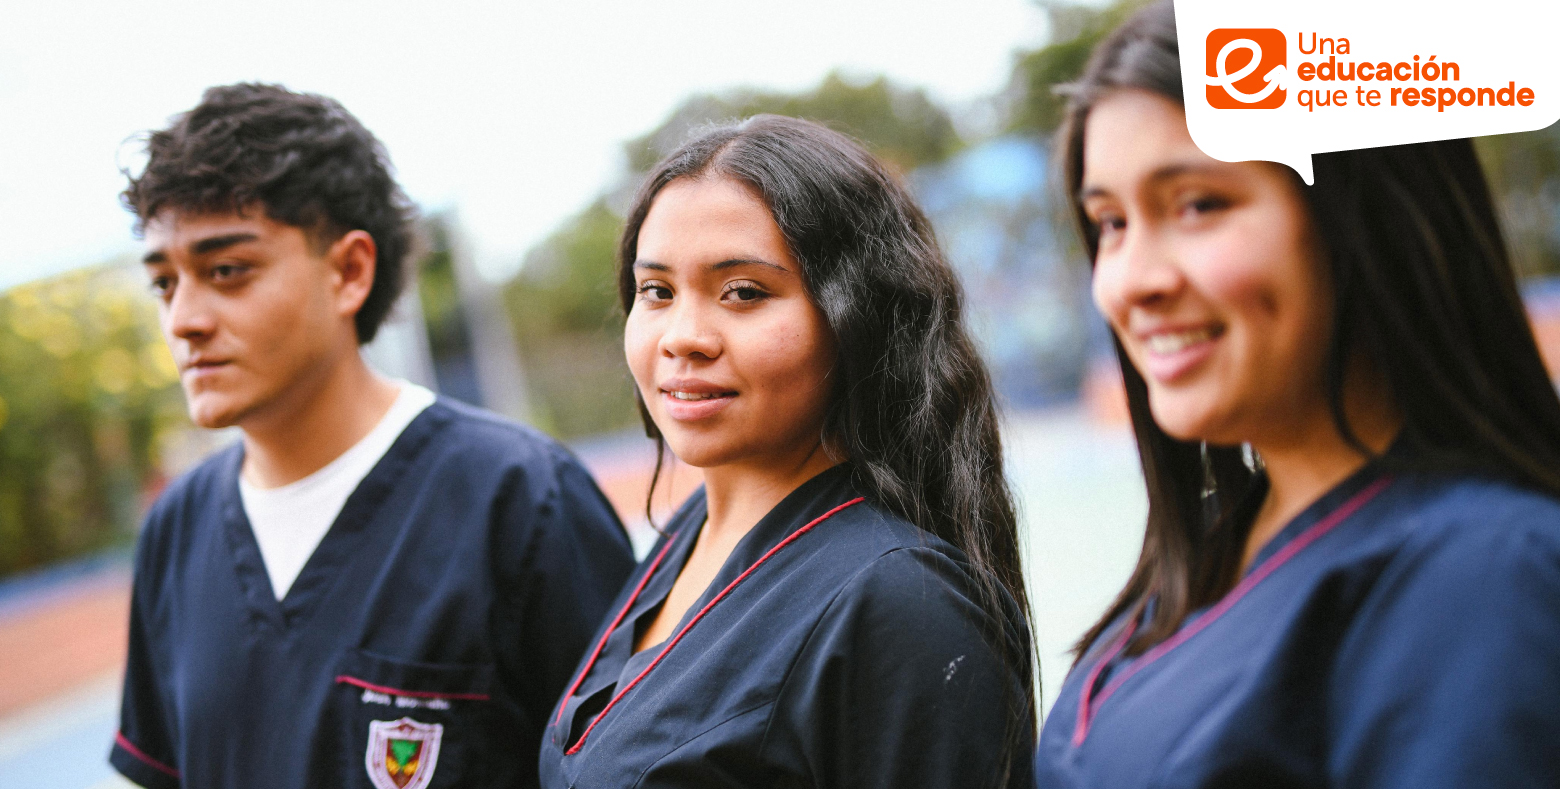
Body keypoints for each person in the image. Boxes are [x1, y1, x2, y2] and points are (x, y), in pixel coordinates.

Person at [1033, 3, 1560, 787]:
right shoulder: (1216, 547)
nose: (1135, 281)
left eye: (1199, 203)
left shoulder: (1483, 575)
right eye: (1109, 221)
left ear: (1364, 215)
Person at [110, 83, 635, 789]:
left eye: (226, 270)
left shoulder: (521, 499)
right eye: (165, 283)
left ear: (350, 270)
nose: (183, 320)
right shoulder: (174, 528)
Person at [537, 115, 1035, 789]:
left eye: (743, 292)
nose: (683, 336)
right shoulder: (691, 535)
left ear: (855, 315)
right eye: (657, 291)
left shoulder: (900, 603)